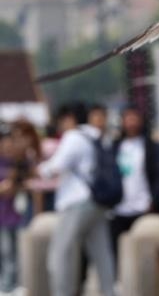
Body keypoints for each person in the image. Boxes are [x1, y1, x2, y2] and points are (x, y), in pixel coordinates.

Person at [36, 103, 117, 296]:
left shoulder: (74, 136)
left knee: (60, 255)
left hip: (77, 203)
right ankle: (109, 292)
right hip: (99, 201)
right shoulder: (98, 136)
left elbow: (56, 166)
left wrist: (38, 169)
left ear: (70, 118)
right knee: (102, 255)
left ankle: (62, 293)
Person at [110, 106, 159, 271]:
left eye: (135, 118)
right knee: (117, 251)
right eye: (128, 118)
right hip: (119, 206)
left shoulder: (151, 146)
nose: (131, 122)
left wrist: (154, 199)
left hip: (143, 205)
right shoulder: (115, 146)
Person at [0, 125, 27, 295]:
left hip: (12, 216)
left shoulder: (16, 163)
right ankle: (5, 286)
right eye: (5, 142)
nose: (9, 145)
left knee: (12, 253)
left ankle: (10, 286)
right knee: (5, 253)